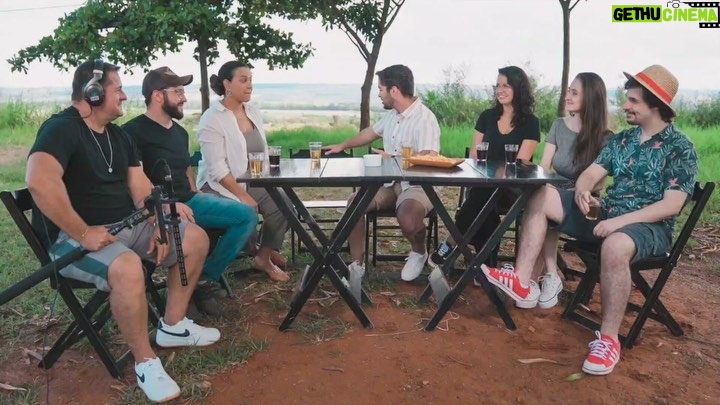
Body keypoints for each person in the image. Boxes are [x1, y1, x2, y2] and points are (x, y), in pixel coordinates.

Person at [481, 65, 698, 376]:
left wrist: (619, 223)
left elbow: (672, 205)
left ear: (656, 106)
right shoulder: (622, 141)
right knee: (541, 193)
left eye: (633, 101)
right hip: (605, 215)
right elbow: (590, 174)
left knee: (615, 246)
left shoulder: (681, 148)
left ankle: (608, 340)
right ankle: (522, 280)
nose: (625, 105)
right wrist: (583, 192)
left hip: (648, 227)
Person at [26, 60, 221, 402]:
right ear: (93, 93)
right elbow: (39, 181)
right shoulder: (61, 129)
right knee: (128, 267)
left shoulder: (119, 136)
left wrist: (158, 222)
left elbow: (141, 190)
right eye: (118, 89)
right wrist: (84, 232)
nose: (125, 97)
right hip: (71, 241)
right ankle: (146, 362)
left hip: (126, 229)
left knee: (193, 237)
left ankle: (173, 326)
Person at [122, 66, 258, 317]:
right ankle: (186, 293)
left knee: (246, 215)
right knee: (194, 231)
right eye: (177, 92)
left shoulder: (179, 133)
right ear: (157, 95)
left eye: (183, 91)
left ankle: (203, 279)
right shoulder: (131, 132)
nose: (184, 97)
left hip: (190, 200)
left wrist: (196, 194)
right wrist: (163, 206)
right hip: (158, 207)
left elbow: (185, 169)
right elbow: (135, 179)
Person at [325, 64, 441, 281]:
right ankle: (357, 266)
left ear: (394, 90)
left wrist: (395, 159)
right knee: (355, 203)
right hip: (389, 184)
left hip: (418, 185)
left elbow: (429, 157)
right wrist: (342, 145)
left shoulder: (425, 119)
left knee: (407, 216)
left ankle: (419, 251)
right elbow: (370, 133)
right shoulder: (393, 116)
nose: (379, 94)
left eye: (381, 89)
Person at [429, 66, 540, 274]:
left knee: (478, 200)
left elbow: (522, 161)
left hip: (513, 188)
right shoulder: (487, 116)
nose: (500, 90)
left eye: (506, 85)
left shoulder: (531, 123)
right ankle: (485, 265)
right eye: (497, 85)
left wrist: (496, 171)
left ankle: (451, 244)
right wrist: (489, 171)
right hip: (483, 183)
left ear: (519, 88)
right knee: (483, 200)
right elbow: (474, 154)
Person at [195, 60, 291, 282]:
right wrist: (243, 195)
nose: (250, 86)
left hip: (252, 181)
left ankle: (263, 256)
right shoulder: (212, 118)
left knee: (284, 204)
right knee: (244, 212)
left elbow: (262, 153)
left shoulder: (253, 112)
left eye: (251, 80)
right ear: (227, 84)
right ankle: (252, 251)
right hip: (219, 186)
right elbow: (217, 169)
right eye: (243, 80)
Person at [525, 72, 615, 309]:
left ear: (591, 99)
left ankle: (534, 279)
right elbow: (545, 166)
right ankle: (551, 274)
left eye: (574, 92)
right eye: (568, 91)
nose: (567, 96)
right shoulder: (558, 125)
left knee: (544, 202)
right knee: (542, 195)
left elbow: (598, 183)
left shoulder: (606, 138)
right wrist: (544, 181)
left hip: (586, 202)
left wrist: (576, 189)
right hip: (555, 188)